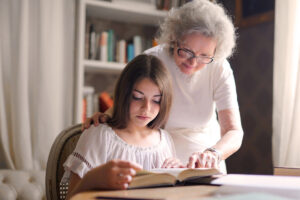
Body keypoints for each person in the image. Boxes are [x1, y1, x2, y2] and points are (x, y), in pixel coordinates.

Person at [83, 0, 243, 173]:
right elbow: (130, 103)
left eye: (204, 56)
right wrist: (104, 117)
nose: (193, 62)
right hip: (159, 161)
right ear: (175, 39)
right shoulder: (152, 61)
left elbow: (234, 131)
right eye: (187, 51)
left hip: (205, 164)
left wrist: (214, 154)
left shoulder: (219, 67)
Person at [63, 54, 181, 199]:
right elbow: (72, 197)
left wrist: (177, 176)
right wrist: (94, 177)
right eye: (137, 97)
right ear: (124, 94)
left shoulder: (165, 140)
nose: (146, 108)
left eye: (156, 100)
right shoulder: (101, 135)